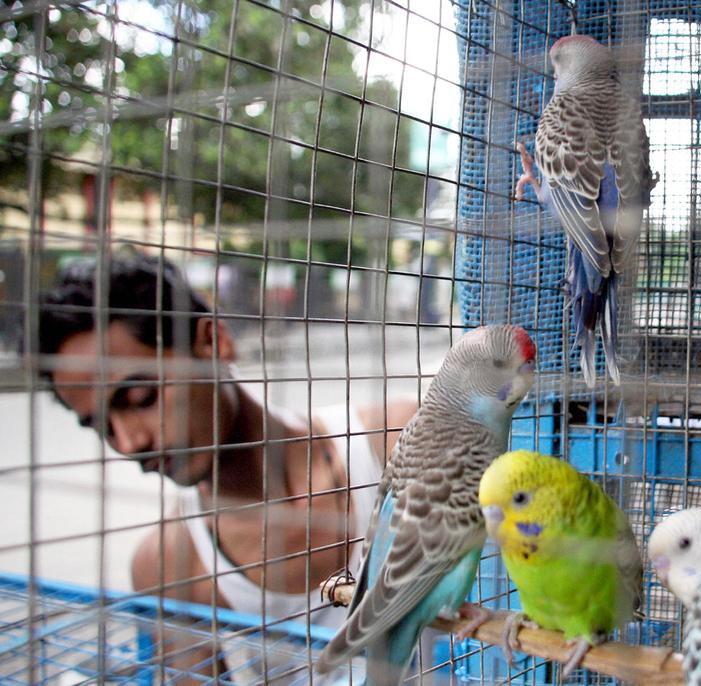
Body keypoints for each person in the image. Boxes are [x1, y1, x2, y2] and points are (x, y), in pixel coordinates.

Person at [34, 252, 419, 682]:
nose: (129, 442)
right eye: (101, 426)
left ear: (213, 342)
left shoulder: (396, 442)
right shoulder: (168, 565)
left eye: (142, 398)